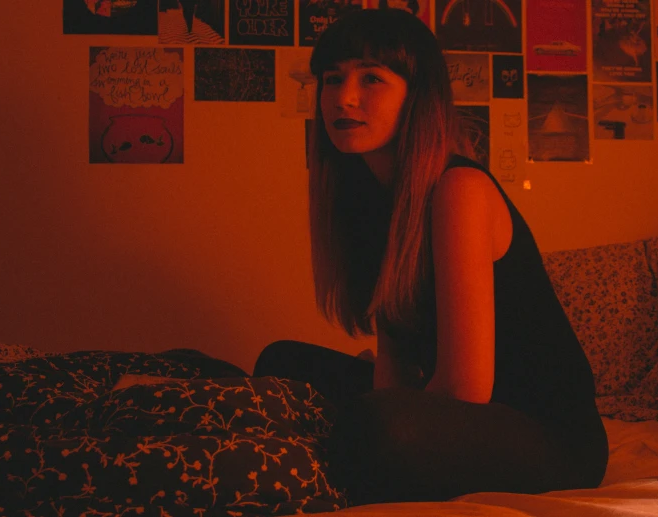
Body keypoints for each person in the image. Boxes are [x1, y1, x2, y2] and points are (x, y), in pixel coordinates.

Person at [252, 7, 607, 505]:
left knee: (376, 427)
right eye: (332, 79)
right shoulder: (374, 201)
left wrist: (388, 418)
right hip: (452, 414)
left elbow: (465, 389)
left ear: (416, 99)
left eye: (371, 78)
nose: (343, 97)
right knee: (281, 360)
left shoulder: (458, 187)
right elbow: (394, 358)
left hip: (549, 437)